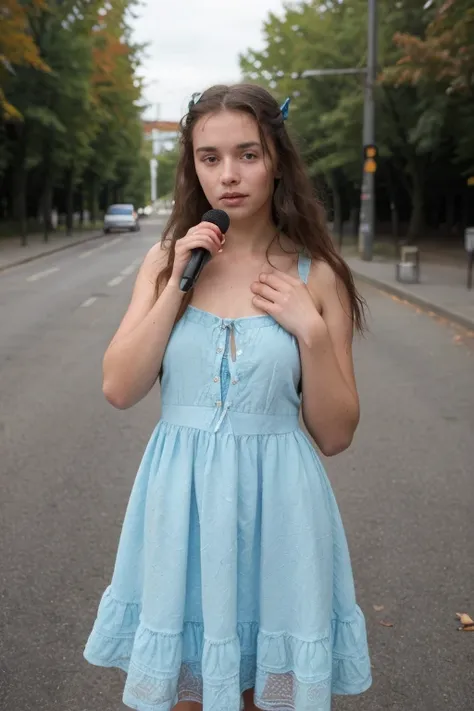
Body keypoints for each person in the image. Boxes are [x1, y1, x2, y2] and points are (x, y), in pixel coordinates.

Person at [83, 83, 372, 711]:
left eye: (248, 154)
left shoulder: (316, 273)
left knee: (263, 696)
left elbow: (336, 433)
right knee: (188, 693)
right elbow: (120, 387)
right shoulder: (167, 261)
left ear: (277, 160)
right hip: (180, 503)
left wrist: (312, 331)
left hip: (282, 508)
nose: (229, 175)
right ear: (192, 165)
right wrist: (176, 288)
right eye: (210, 158)